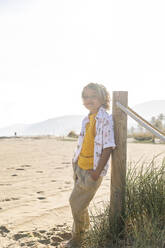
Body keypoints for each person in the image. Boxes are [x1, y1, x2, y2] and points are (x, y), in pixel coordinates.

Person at [64, 83, 116, 248]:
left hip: (91, 171)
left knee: (75, 202)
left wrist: (97, 172)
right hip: (79, 167)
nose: (89, 100)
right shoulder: (87, 119)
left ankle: (78, 239)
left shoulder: (105, 119)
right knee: (81, 204)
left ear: (103, 98)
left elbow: (108, 146)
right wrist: (76, 164)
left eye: (93, 96)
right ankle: (86, 232)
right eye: (85, 97)